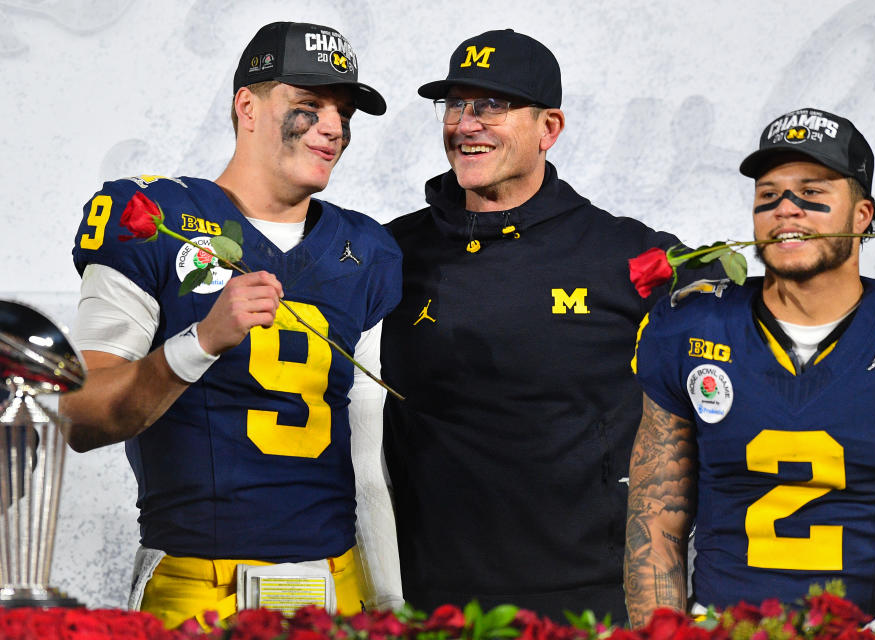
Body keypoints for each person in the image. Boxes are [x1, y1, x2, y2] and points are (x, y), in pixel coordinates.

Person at [61, 21, 403, 629]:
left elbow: (368, 442)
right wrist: (199, 343)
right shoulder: (157, 219)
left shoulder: (366, 250)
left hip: (337, 580)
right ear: (247, 106)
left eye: (343, 111)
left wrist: (388, 598)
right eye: (309, 105)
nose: (333, 126)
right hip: (201, 583)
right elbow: (82, 416)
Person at [380, 29, 721, 622]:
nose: (466, 123)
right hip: (430, 602)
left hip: (591, 601)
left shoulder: (628, 255)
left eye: (492, 105)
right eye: (455, 105)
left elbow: (765, 337)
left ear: (549, 128)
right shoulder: (396, 249)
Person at [624, 107, 875, 627]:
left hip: (872, 625)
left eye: (813, 193)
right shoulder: (693, 326)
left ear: (862, 215)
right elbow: (654, 523)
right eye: (768, 196)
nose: (787, 209)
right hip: (724, 629)